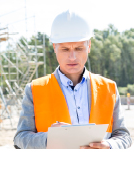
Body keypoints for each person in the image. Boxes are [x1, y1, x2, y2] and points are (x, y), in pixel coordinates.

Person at [13, 10, 132, 149]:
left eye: (79, 48)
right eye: (65, 49)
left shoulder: (109, 88)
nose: (72, 57)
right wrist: (50, 139)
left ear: (89, 46)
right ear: (54, 47)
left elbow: (124, 136)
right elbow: (20, 138)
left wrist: (109, 145)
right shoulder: (34, 89)